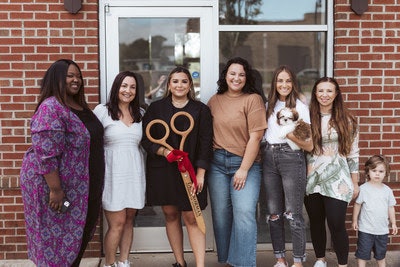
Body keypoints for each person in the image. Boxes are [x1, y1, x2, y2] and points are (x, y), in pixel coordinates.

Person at [19, 59, 105, 267]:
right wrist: (56, 190)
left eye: (78, 76)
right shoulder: (51, 108)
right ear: (57, 78)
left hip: (84, 187)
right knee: (56, 246)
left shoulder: (79, 107)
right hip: (57, 189)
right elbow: (46, 154)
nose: (76, 80)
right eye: (70, 76)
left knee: (78, 238)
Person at [141, 66, 213, 267]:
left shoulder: (201, 110)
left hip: (191, 171)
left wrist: (200, 174)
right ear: (169, 84)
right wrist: (165, 152)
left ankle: (200, 265)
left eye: (183, 81)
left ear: (190, 84)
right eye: (175, 81)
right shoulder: (156, 109)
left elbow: (206, 143)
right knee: (171, 215)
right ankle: (180, 263)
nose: (179, 85)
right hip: (164, 171)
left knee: (191, 216)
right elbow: (146, 140)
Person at [207, 57, 267, 267]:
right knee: (221, 216)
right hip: (216, 164)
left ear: (247, 77)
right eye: (232, 73)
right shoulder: (214, 100)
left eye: (241, 74)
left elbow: (256, 137)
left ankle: (243, 263)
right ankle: (227, 261)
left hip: (246, 164)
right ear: (225, 75)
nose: (236, 78)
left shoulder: (253, 99)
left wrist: (243, 169)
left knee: (243, 213)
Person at [304, 77, 360, 267]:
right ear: (315, 94)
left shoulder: (347, 120)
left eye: (329, 91)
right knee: (316, 221)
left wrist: (355, 182)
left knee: (336, 223)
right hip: (312, 178)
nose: (324, 95)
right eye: (320, 91)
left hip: (339, 179)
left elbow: (353, 154)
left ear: (336, 94)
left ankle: (342, 264)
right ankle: (320, 259)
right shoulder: (307, 118)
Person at [262, 65, 313, 267]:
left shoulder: (300, 107)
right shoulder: (268, 105)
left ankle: (298, 261)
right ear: (275, 83)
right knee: (274, 213)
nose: (284, 85)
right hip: (268, 156)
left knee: (293, 212)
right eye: (280, 80)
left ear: (293, 84)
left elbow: (308, 142)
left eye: (288, 81)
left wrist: (289, 134)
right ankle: (280, 259)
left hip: (291, 157)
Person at [93, 71, 146, 267]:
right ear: (116, 88)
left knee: (129, 220)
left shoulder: (141, 113)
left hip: (134, 172)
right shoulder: (102, 111)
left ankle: (124, 262)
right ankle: (109, 264)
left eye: (132, 87)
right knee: (117, 223)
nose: (128, 90)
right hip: (112, 174)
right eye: (124, 86)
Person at [352, 155, 398, 267]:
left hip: (382, 231)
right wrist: (354, 220)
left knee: (381, 256)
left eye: (381, 171)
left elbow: (391, 207)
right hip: (366, 230)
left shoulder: (387, 191)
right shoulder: (363, 189)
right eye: (374, 170)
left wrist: (394, 223)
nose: (377, 174)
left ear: (386, 173)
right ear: (368, 172)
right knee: (362, 254)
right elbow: (357, 205)